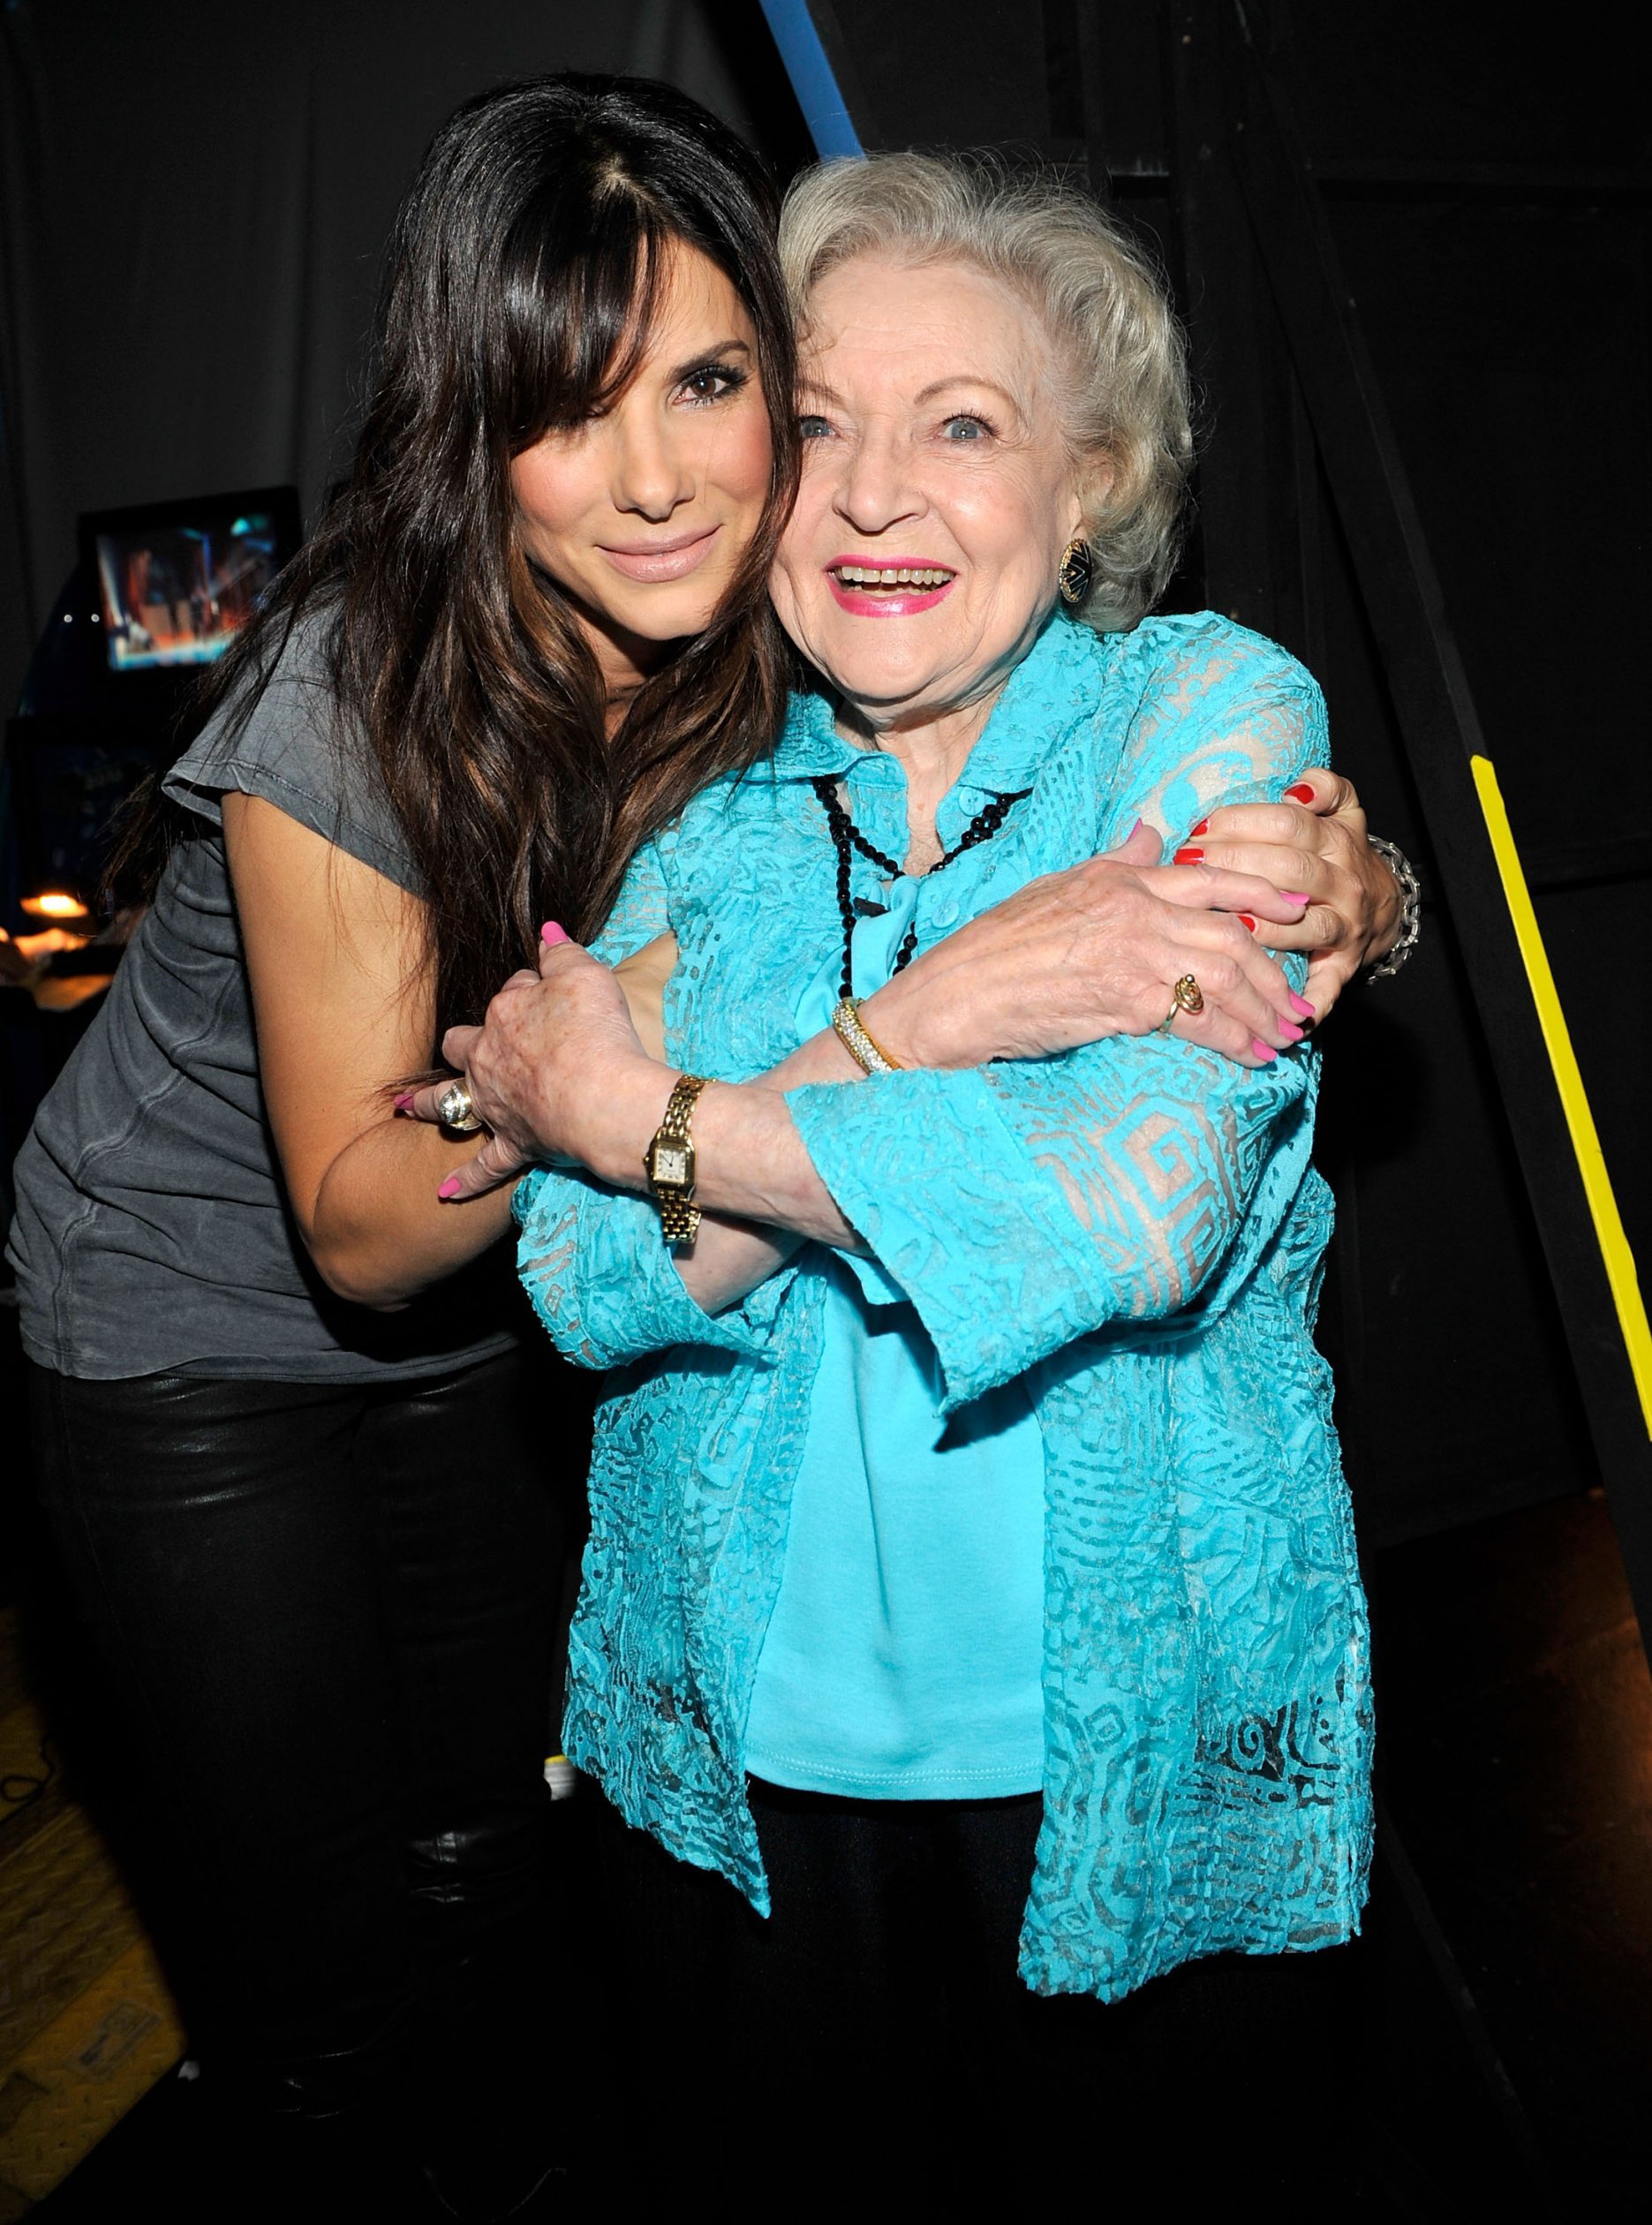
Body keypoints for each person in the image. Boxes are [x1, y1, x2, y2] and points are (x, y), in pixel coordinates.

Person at [11, 79, 1398, 2213]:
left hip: (605, 1373)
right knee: (330, 1957)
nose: (678, 474)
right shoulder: (427, 699)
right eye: (573, 410)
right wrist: (919, 1020)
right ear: (478, 438)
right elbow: (442, 1245)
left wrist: (1364, 890)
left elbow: (1130, 1171)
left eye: (723, 386)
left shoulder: (952, 664)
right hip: (217, 1297)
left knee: (497, 1884)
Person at [412, 149, 1383, 2185]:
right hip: (747, 1770)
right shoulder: (706, 832)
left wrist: (649, 1121)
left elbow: (1139, 1194)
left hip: (1119, 1753)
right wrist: (917, 1028)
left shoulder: (1203, 713)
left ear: (1093, 480)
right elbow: (584, 1282)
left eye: (964, 427)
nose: (869, 497)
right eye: (825, 427)